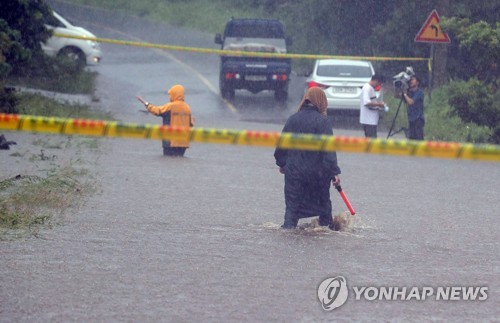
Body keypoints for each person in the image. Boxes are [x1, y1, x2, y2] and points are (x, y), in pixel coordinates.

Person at [274, 87, 341, 230]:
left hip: (294, 174)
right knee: (324, 213)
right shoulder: (323, 122)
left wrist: (282, 163)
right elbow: (329, 151)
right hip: (318, 176)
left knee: (292, 212)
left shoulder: (293, 119)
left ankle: (287, 239)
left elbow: (281, 147)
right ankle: (326, 232)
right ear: (322, 101)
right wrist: (334, 172)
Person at [138, 84, 194, 156]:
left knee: (169, 162)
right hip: (183, 143)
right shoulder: (187, 108)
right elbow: (191, 124)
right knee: (179, 162)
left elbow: (157, 111)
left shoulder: (170, 106)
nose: (169, 96)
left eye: (170, 94)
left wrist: (146, 104)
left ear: (174, 94)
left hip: (170, 142)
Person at [359, 74, 386, 138]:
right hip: (368, 120)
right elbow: (367, 102)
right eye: (379, 83)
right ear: (376, 81)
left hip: (372, 120)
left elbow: (372, 101)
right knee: (371, 140)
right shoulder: (367, 88)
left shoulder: (371, 88)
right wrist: (379, 104)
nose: (378, 85)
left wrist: (378, 104)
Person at [402, 75, 425, 140]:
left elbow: (411, 102)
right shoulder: (410, 92)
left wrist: (405, 94)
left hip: (418, 119)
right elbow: (397, 96)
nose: (411, 81)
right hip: (411, 119)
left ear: (417, 82)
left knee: (418, 138)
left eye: (413, 80)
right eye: (410, 80)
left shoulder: (419, 92)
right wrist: (400, 89)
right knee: (412, 139)